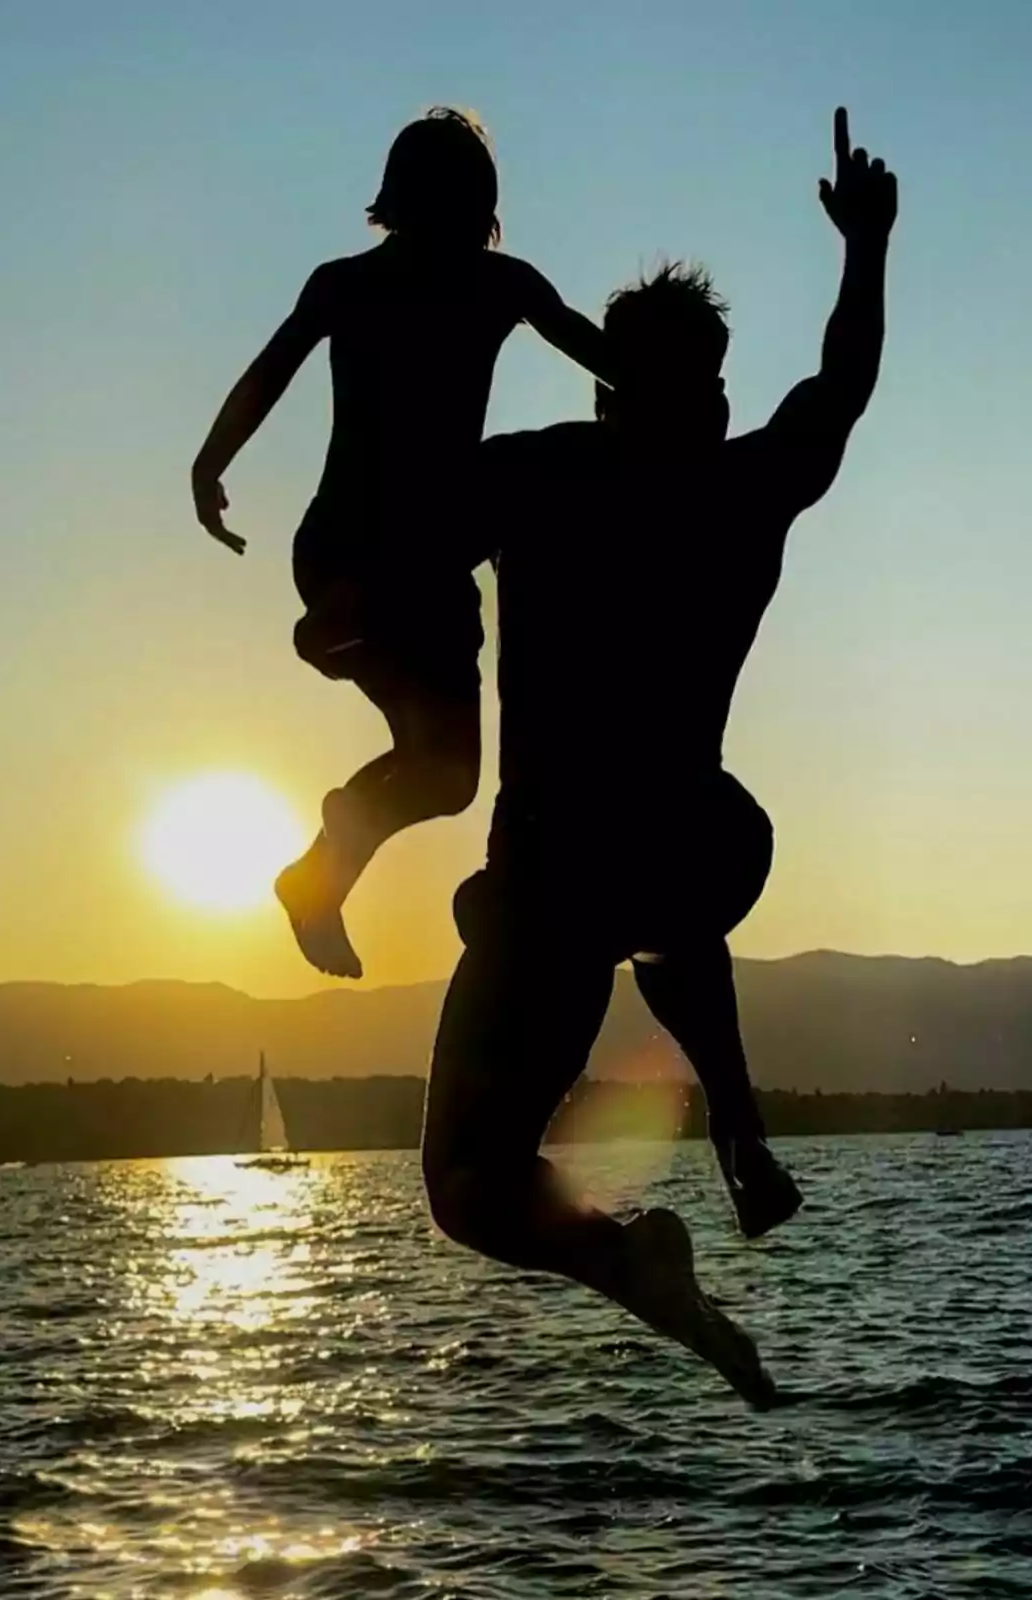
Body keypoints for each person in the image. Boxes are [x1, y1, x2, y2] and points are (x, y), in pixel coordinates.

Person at [423, 109, 898, 1406]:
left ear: (605, 386)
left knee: (467, 1185)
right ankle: (685, 1203)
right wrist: (866, 250)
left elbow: (396, 527)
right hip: (685, 850)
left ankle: (642, 1242)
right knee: (668, 865)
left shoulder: (543, 476)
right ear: (705, 390)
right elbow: (840, 387)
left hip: (555, 892)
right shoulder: (745, 486)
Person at [190, 107, 615, 981]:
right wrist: (208, 461)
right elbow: (269, 372)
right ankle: (341, 637)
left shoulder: (454, 285)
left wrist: (210, 464)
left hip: (396, 565)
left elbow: (599, 354)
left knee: (446, 776)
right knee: (437, 762)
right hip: (384, 559)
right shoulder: (439, 285)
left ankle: (319, 871)